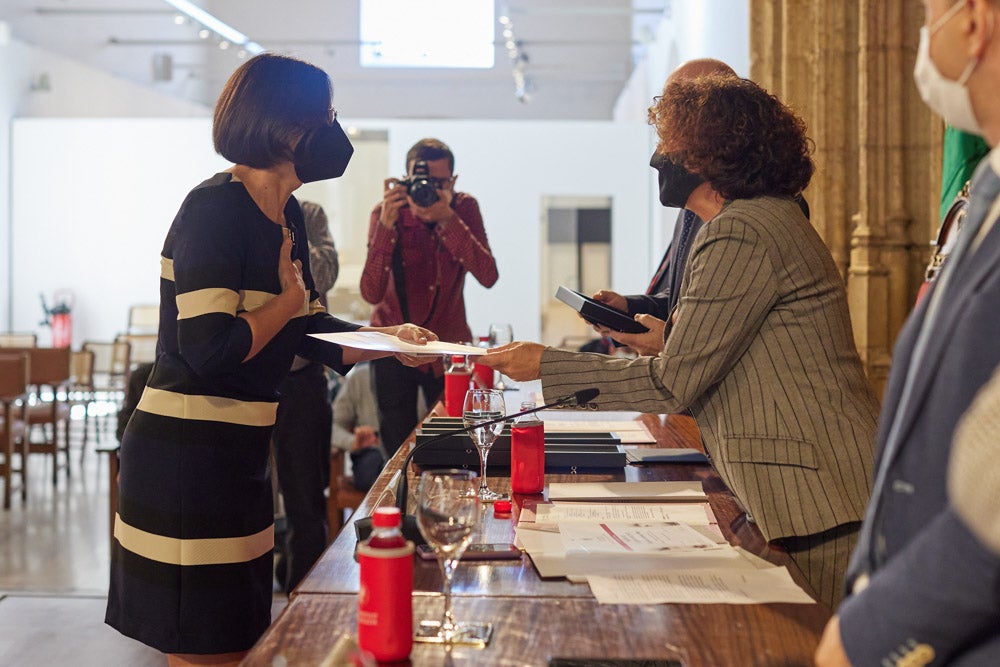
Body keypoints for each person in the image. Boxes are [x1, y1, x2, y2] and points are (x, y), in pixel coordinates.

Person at [481, 74, 880, 609]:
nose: (657, 161)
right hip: (819, 490)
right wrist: (666, 338)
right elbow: (739, 351)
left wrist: (546, 364)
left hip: (820, 497)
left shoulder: (742, 231)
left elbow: (672, 385)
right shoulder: (760, 220)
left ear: (710, 155)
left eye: (669, 146)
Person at [104, 53, 436, 667]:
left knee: (241, 641)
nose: (335, 130)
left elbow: (304, 329)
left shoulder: (284, 215)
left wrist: (392, 342)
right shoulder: (214, 210)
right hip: (186, 462)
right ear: (286, 127)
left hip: (240, 458)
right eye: (328, 116)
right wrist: (285, 303)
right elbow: (209, 349)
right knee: (205, 650)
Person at [815, 0, 1000, 664]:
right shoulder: (984, 190)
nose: (924, 40)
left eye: (929, 16)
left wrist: (866, 632)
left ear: (973, 24)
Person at [360, 138, 498, 457]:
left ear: (453, 181)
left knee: (455, 444)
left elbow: (488, 275)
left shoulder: (463, 208)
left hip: (447, 348)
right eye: (421, 181)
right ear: (405, 179)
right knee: (396, 453)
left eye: (438, 183)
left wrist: (448, 219)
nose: (428, 191)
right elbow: (371, 292)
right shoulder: (386, 212)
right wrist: (386, 226)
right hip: (391, 348)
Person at [589, 59, 737, 334]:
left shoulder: (745, 212)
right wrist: (627, 308)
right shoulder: (694, 204)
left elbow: (725, 329)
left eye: (679, 108)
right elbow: (678, 301)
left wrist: (666, 344)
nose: (662, 150)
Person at [271, 200, 340, 594]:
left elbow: (326, 275)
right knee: (244, 501)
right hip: (247, 377)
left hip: (302, 374)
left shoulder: (310, 214)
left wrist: (289, 235)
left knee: (305, 501)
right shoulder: (235, 213)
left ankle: (305, 600)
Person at [330, 361, 386, 492]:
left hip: (412, 451)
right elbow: (332, 425)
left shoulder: (426, 374)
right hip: (372, 453)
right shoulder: (360, 376)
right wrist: (353, 442)